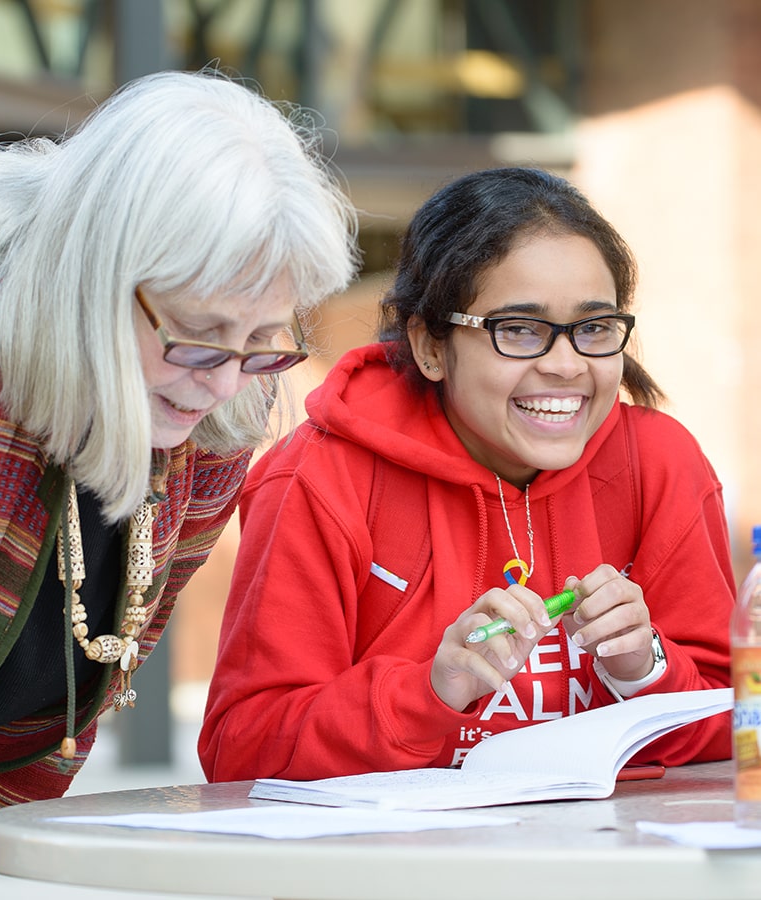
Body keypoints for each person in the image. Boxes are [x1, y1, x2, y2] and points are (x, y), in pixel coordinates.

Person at [0, 69, 358, 899]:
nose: (226, 382)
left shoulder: (223, 405)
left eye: (263, 340)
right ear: (94, 278)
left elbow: (46, 727)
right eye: (198, 336)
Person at [199, 166, 735, 785]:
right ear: (430, 345)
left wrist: (645, 668)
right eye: (520, 330)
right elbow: (242, 751)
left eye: (593, 329)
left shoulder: (661, 463)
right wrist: (431, 689)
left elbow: (733, 723)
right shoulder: (318, 477)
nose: (566, 365)